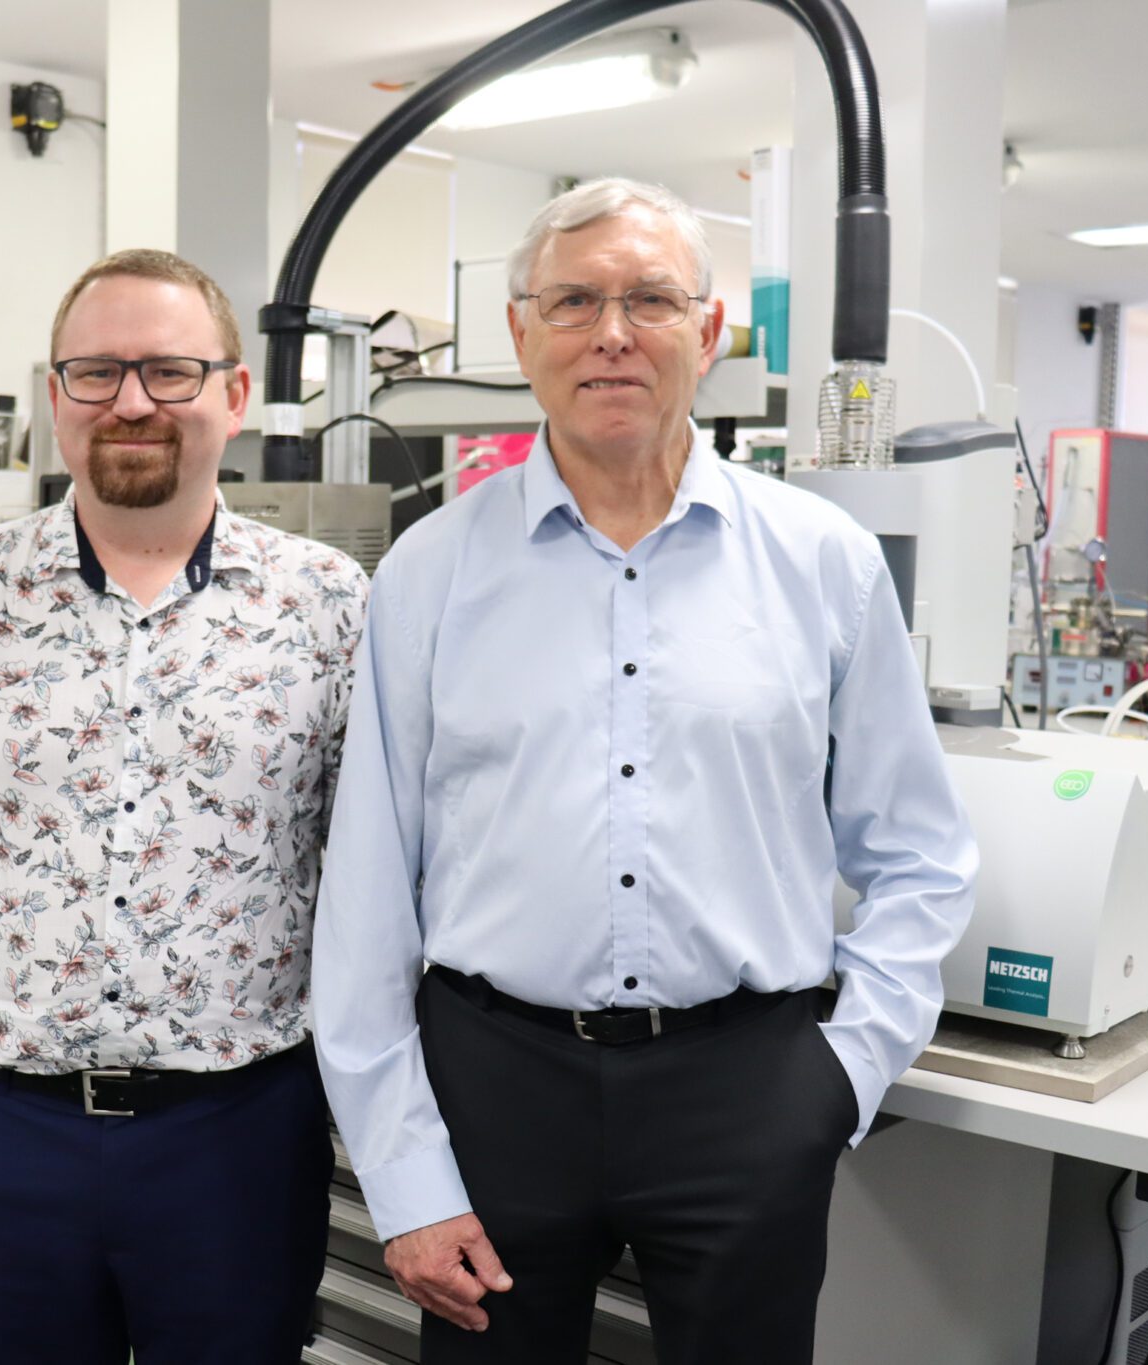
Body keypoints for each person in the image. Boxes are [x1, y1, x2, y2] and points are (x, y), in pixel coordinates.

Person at [312, 178, 978, 1364]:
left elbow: (917, 852)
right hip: (492, 1087)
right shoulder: (429, 571)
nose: (610, 334)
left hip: (745, 1091)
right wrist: (402, 1173)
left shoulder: (821, 562)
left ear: (707, 333)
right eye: (572, 301)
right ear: (520, 333)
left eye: (650, 301)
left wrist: (844, 1072)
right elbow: (366, 889)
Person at [0, 248, 369, 1364]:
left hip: (235, 1131)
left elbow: (364, 855)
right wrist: (15, 953)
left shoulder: (325, 604)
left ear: (235, 393)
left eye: (169, 371)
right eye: (96, 372)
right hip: (3, 1127)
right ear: (56, 397)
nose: (131, 402)